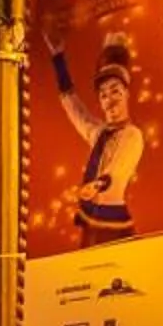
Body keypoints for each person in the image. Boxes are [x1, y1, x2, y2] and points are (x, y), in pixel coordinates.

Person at [44, 26, 147, 242]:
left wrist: (98, 184)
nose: (109, 100)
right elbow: (74, 107)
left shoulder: (132, 135)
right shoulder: (98, 132)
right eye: (103, 95)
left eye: (115, 91)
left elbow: (119, 168)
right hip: (91, 218)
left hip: (113, 222)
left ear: (127, 93)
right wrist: (58, 59)